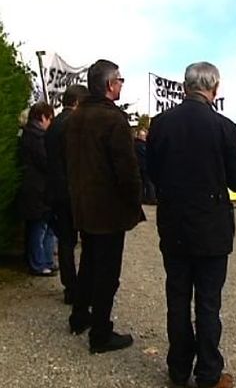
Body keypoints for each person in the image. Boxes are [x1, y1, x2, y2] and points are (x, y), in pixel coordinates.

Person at [147, 61, 236, 388]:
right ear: (214, 88)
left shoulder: (160, 124)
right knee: (207, 302)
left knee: (177, 297)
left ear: (185, 87)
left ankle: (177, 369)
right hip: (212, 227)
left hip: (174, 224)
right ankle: (208, 374)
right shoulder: (225, 127)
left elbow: (153, 174)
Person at [65, 59, 144, 353]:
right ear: (111, 85)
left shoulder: (75, 116)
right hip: (108, 209)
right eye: (120, 80)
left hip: (84, 205)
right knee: (107, 272)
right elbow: (127, 169)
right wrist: (133, 201)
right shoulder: (113, 120)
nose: (122, 84)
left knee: (88, 263)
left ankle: (79, 316)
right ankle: (100, 333)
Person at [45, 84, 89, 302]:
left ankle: (69, 285)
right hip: (74, 190)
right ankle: (79, 287)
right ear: (79, 103)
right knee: (87, 240)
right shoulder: (74, 124)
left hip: (56, 190)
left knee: (65, 241)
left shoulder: (53, 125)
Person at [18, 101, 57, 276]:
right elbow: (46, 162)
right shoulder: (38, 137)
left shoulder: (28, 135)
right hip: (38, 189)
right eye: (50, 118)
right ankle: (39, 263)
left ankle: (45, 260)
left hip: (37, 188)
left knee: (44, 226)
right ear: (43, 117)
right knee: (39, 227)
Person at [134, 129, 157, 205]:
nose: (145, 137)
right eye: (143, 136)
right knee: (149, 183)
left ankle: (143, 198)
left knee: (143, 184)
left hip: (139, 166)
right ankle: (151, 198)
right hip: (145, 166)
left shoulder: (135, 144)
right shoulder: (141, 145)